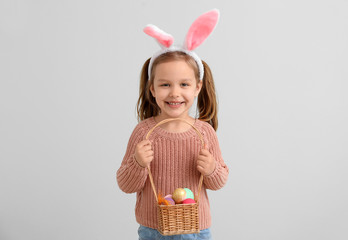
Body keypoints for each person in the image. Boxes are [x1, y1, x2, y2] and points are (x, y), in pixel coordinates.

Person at [117, 9, 229, 240]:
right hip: (151, 229)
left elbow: (219, 182)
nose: (175, 93)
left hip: (194, 228)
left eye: (184, 84)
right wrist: (138, 163)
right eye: (165, 84)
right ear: (152, 89)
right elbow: (125, 185)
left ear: (197, 87)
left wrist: (211, 170)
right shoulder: (144, 132)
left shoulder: (204, 132)